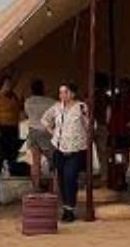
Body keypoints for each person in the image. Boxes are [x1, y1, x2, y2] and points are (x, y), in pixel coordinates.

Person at [41, 84, 90, 223]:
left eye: (65, 92)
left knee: (70, 177)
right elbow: (45, 120)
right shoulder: (57, 107)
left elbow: (91, 125)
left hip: (75, 149)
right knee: (62, 179)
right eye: (61, 92)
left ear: (73, 94)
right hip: (59, 148)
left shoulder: (81, 107)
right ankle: (66, 207)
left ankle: (70, 208)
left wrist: (84, 137)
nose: (62, 95)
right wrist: (53, 133)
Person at [23, 79, 57, 191]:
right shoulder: (52, 102)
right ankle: (54, 187)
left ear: (32, 89)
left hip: (33, 132)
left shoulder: (28, 102)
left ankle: (36, 187)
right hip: (47, 133)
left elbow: (27, 115)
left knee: (35, 162)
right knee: (53, 162)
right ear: (43, 88)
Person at [107, 78, 130, 190]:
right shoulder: (117, 98)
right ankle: (117, 176)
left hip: (123, 130)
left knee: (122, 154)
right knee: (117, 154)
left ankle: (121, 177)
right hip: (116, 129)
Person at [0, 77, 24, 175]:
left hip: (13, 127)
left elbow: (18, 110)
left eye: (10, 84)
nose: (9, 86)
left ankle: (13, 171)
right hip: (1, 127)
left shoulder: (14, 96)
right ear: (2, 85)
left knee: (13, 151)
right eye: (7, 84)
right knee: (2, 151)